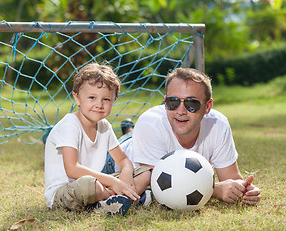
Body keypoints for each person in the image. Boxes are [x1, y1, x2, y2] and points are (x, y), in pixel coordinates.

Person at [121, 67, 261, 205]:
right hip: (120, 156)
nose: (181, 111)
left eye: (191, 103)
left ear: (207, 106)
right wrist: (216, 190)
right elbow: (158, 185)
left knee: (132, 135)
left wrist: (243, 189)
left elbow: (231, 178)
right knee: (129, 140)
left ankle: (129, 130)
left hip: (142, 140)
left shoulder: (218, 125)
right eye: (173, 102)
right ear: (165, 102)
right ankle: (129, 132)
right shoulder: (150, 123)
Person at [44, 63, 151, 215]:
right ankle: (125, 198)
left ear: (114, 100)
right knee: (91, 186)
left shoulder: (104, 126)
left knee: (145, 172)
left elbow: (123, 161)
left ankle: (117, 199)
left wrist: (125, 175)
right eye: (92, 97)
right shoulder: (69, 125)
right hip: (68, 191)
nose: (99, 104)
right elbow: (72, 169)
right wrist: (114, 182)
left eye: (106, 99)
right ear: (77, 98)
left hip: (99, 184)